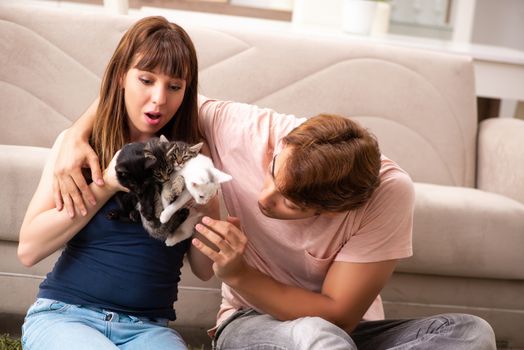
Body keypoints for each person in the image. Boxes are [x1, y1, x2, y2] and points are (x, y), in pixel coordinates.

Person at [52, 33, 497, 350]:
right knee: (316, 339)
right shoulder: (242, 128)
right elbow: (150, 95)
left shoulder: (388, 194)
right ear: (285, 142)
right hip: (254, 324)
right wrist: (76, 133)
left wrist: (240, 272)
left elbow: (339, 314)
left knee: (472, 333)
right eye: (272, 174)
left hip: (344, 331)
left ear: (334, 209)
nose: (266, 199)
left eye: (290, 203)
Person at [18, 16, 214, 350]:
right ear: (122, 76)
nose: (159, 99)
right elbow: (29, 249)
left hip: (149, 330)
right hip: (66, 315)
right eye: (146, 80)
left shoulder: (193, 156)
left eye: (174, 87)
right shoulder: (79, 147)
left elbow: (204, 269)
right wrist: (107, 184)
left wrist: (205, 209)